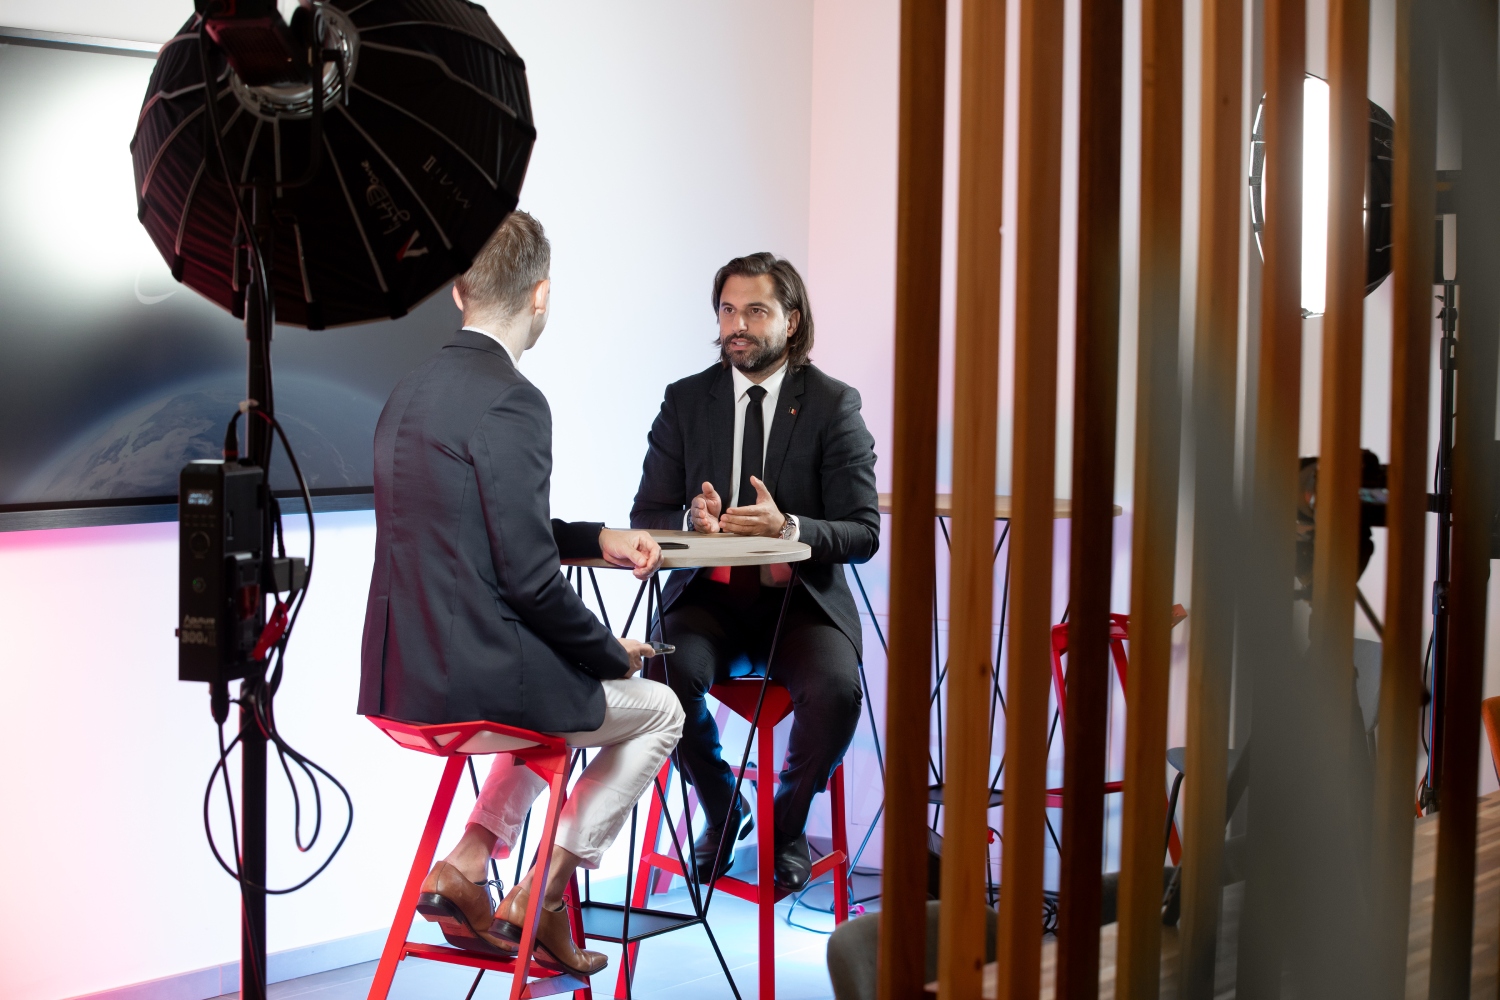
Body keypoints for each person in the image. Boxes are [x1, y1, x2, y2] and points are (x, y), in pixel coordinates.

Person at [358, 211, 683, 975]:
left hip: (404, 676)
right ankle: (543, 890)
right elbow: (530, 581)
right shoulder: (514, 398)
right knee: (657, 711)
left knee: (559, 706)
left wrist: (592, 535)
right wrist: (613, 655)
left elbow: (488, 521)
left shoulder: (409, 389)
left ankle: (465, 865)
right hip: (479, 681)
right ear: (541, 296)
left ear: (459, 292)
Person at [630, 252, 879, 890]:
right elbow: (647, 513)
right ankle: (722, 807)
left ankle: (785, 824)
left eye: (756, 311)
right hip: (710, 606)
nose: (737, 325)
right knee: (661, 673)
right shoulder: (685, 401)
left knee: (835, 692)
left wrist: (788, 530)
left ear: (791, 322)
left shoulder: (831, 404)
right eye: (728, 310)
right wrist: (692, 521)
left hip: (798, 605)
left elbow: (862, 532)